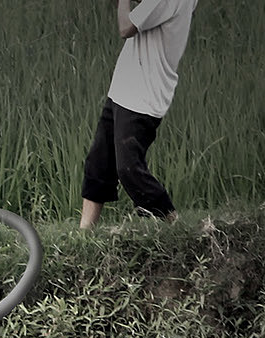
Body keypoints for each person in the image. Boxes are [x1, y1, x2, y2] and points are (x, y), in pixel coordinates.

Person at [80, 0, 198, 228]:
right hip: (123, 89)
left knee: (129, 169)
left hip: (142, 96)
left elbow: (126, 27)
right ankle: (84, 234)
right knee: (98, 164)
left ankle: (175, 224)